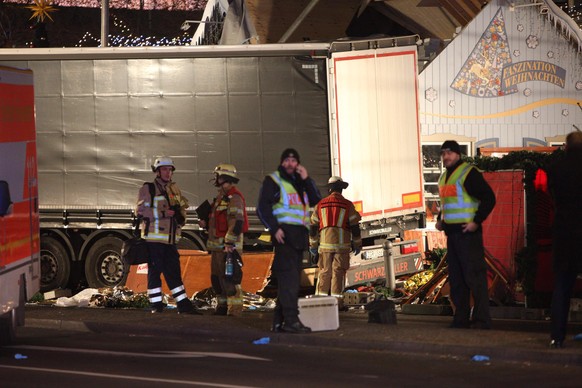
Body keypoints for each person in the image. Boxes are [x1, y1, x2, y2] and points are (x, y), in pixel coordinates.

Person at [257, 148, 321, 333]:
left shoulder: (299, 183)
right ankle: (291, 321)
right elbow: (262, 207)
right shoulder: (274, 180)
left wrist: (306, 178)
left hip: (298, 238)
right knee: (290, 281)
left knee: (288, 281)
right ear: (282, 162)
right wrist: (274, 228)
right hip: (284, 236)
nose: (290, 164)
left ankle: (278, 321)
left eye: (294, 161)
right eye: (287, 160)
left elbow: (316, 199)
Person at [435, 140, 496, 329]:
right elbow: (447, 203)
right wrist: (440, 219)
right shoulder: (445, 177)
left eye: (450, 153)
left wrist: (476, 221)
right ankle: (460, 318)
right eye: (443, 153)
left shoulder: (468, 173)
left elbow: (489, 198)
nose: (446, 156)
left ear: (458, 155)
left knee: (475, 279)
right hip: (452, 234)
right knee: (457, 280)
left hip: (468, 234)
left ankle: (481, 319)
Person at [136, 156, 199, 314]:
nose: (168, 173)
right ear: (157, 171)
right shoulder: (148, 188)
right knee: (155, 272)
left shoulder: (174, 189)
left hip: (170, 240)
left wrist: (181, 217)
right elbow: (140, 211)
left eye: (170, 170)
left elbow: (181, 208)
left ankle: (183, 305)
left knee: (174, 272)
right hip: (154, 240)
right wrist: (164, 212)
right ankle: (156, 306)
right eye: (164, 169)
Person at [547, 131, 582, 348]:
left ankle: (557, 337)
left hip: (564, 232)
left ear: (566, 146)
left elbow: (552, 196)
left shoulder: (556, 168)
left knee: (562, 285)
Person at [199, 163, 248, 317]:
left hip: (228, 247)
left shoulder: (234, 197)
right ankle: (222, 307)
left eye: (218, 175)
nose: (215, 178)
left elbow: (236, 221)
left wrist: (229, 243)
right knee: (217, 278)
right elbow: (218, 222)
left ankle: (235, 310)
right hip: (217, 247)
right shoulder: (221, 197)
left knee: (230, 279)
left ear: (224, 177)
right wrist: (205, 223)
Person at [309, 176, 362, 304]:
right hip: (341, 248)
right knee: (337, 273)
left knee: (325, 272)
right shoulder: (348, 205)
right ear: (341, 190)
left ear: (329, 189)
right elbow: (355, 227)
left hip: (324, 247)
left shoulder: (320, 205)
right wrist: (357, 243)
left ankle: (321, 302)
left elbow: (313, 228)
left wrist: (313, 246)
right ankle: (336, 303)